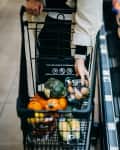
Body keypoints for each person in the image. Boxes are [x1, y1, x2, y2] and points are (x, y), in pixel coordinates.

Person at [25, 0, 103, 84]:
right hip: (46, 22)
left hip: (75, 32)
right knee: (47, 83)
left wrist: (80, 56)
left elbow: (89, 9)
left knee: (74, 85)